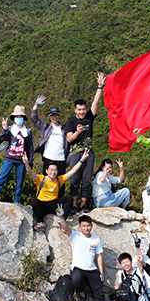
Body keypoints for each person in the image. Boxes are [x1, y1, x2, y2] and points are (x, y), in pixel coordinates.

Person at [54, 207, 110, 301]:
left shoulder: (96, 239)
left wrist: (101, 273)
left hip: (92, 269)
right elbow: (65, 227)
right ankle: (83, 295)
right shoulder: (75, 236)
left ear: (91, 226)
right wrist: (61, 217)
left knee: (99, 293)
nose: (86, 228)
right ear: (80, 226)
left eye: (88, 225)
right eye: (84, 226)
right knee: (75, 279)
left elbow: (99, 256)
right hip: (78, 268)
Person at [64, 73, 105, 215]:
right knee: (75, 178)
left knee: (87, 179)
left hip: (89, 151)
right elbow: (69, 139)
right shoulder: (71, 121)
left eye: (83, 109)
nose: (81, 112)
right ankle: (74, 205)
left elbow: (96, 103)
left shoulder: (88, 117)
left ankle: (83, 205)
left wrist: (100, 86)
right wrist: (77, 132)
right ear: (75, 110)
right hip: (75, 152)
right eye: (79, 110)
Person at [23, 149, 89, 231]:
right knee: (34, 201)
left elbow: (72, 171)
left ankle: (62, 220)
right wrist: (26, 162)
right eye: (51, 170)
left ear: (57, 171)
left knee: (69, 198)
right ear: (47, 171)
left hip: (54, 205)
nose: (53, 172)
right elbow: (30, 172)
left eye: (55, 170)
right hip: (42, 205)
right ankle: (40, 222)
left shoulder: (59, 180)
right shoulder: (41, 179)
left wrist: (82, 160)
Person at [0, 105, 34, 204]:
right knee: (1, 179)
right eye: (17, 116)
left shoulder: (27, 131)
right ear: (13, 118)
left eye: (21, 116)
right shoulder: (10, 129)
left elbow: (30, 148)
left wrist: (30, 161)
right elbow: (1, 141)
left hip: (21, 160)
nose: (19, 118)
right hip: (9, 158)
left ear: (24, 118)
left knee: (19, 182)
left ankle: (16, 201)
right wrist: (4, 129)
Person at [32, 96, 69, 175]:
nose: (54, 117)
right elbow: (34, 119)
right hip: (48, 158)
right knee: (46, 182)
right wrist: (36, 105)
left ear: (59, 116)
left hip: (61, 159)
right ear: (49, 117)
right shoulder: (45, 127)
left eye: (56, 115)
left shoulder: (64, 129)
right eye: (52, 115)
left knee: (60, 183)